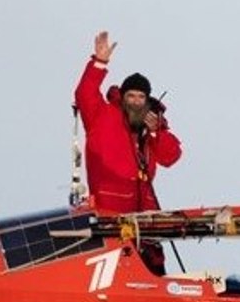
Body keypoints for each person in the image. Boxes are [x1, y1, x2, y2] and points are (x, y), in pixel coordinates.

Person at [74, 30, 182, 275]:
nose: (135, 101)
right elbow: (84, 94)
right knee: (114, 272)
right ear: (122, 97)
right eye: (130, 95)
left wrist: (155, 133)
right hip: (109, 212)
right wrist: (99, 62)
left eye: (140, 96)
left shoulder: (154, 127)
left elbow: (171, 157)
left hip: (145, 216)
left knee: (152, 274)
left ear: (147, 100)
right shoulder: (102, 117)